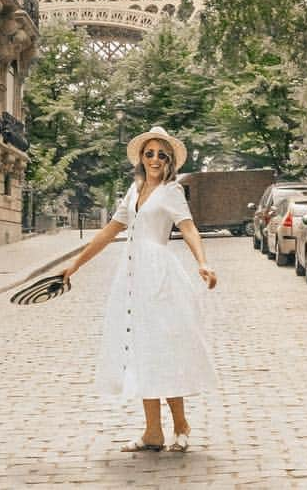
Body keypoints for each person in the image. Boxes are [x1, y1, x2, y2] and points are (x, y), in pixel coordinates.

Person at [60, 124, 217, 452]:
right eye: (150, 154)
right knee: (140, 347)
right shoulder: (134, 191)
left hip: (160, 276)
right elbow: (108, 232)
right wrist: (75, 264)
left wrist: (202, 262)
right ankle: (153, 432)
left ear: (170, 160)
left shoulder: (172, 191)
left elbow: (188, 228)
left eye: (162, 154)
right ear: (141, 159)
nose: (155, 159)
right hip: (132, 278)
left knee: (165, 347)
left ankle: (181, 424)